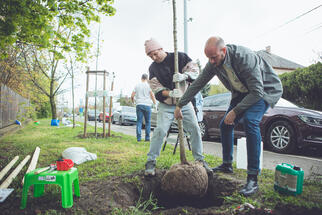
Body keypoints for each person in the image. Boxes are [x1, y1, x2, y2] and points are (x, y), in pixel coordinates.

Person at [174, 36, 283, 196]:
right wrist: (180, 104)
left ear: (223, 51)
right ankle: (227, 164)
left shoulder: (245, 58)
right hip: (242, 92)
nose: (211, 61)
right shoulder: (213, 63)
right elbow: (198, 84)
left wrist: (235, 111)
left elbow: (257, 91)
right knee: (225, 125)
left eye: (213, 57)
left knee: (251, 121)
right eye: (208, 58)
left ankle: (253, 179)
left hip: (264, 90)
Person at [143, 38, 212, 176]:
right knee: (160, 130)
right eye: (150, 56)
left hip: (185, 102)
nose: (154, 57)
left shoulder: (180, 57)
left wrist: (184, 76)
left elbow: (195, 71)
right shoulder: (153, 69)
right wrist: (170, 93)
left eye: (155, 53)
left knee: (194, 128)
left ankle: (200, 160)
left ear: (161, 48)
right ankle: (151, 161)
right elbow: (156, 89)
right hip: (166, 105)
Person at [131, 73, 156, 142]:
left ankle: (139, 138)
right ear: (147, 79)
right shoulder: (149, 86)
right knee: (148, 122)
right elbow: (152, 96)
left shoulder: (137, 85)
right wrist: (155, 104)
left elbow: (132, 96)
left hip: (139, 104)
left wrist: (133, 102)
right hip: (147, 105)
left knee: (139, 121)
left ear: (141, 78)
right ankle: (147, 138)